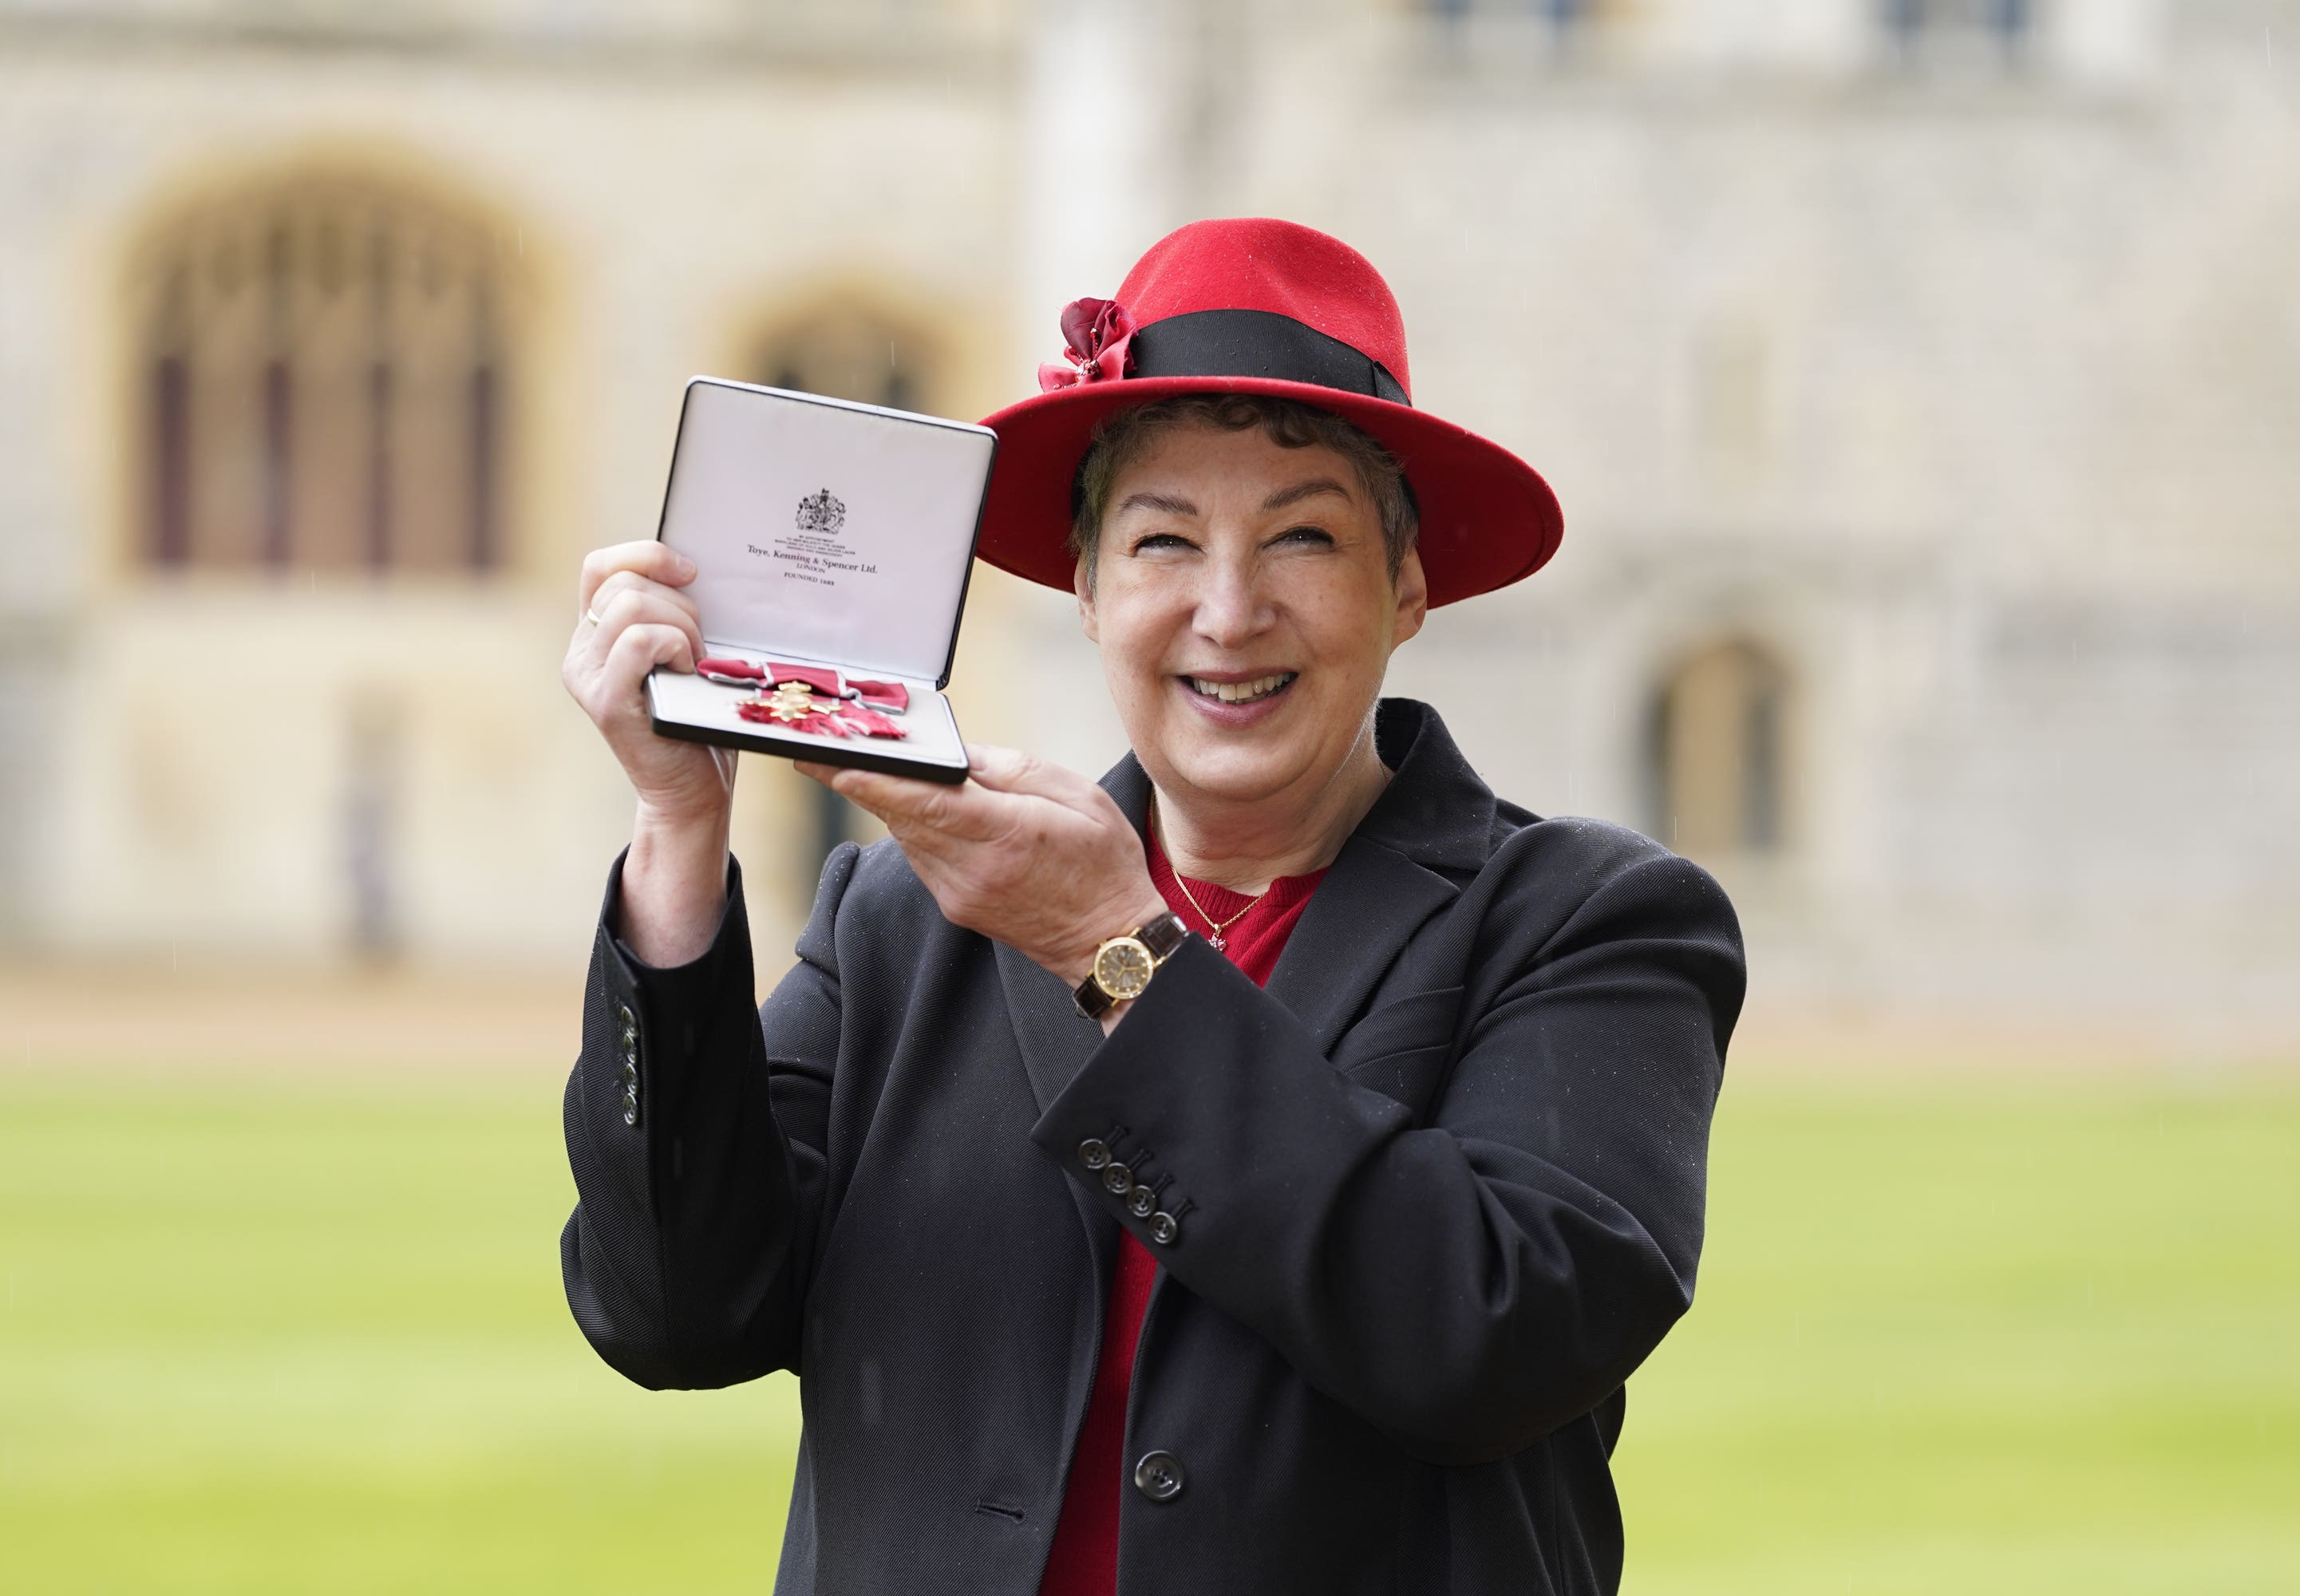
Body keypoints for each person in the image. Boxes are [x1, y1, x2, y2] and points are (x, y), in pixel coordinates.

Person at [558, 217, 1745, 1596]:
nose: (1229, 612)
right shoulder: (898, 917)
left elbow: (1490, 1336)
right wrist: (679, 824)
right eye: (1163, 541)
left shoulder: (1591, 920)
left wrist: (1108, 952)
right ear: (1087, 590)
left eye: (1302, 536)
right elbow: (674, 1313)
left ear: (1406, 588)